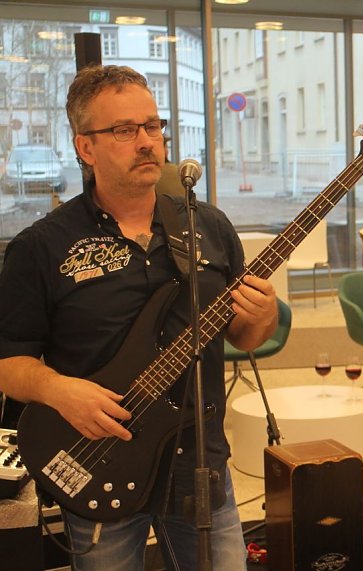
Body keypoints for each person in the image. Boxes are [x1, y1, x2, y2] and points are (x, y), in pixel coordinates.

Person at [0, 65, 278, 570]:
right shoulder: (41, 247)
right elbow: (9, 360)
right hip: (98, 458)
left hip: (199, 464)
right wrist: (60, 390)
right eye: (125, 130)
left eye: (153, 126)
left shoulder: (208, 226)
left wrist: (262, 316)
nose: (147, 141)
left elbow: (245, 334)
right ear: (86, 148)